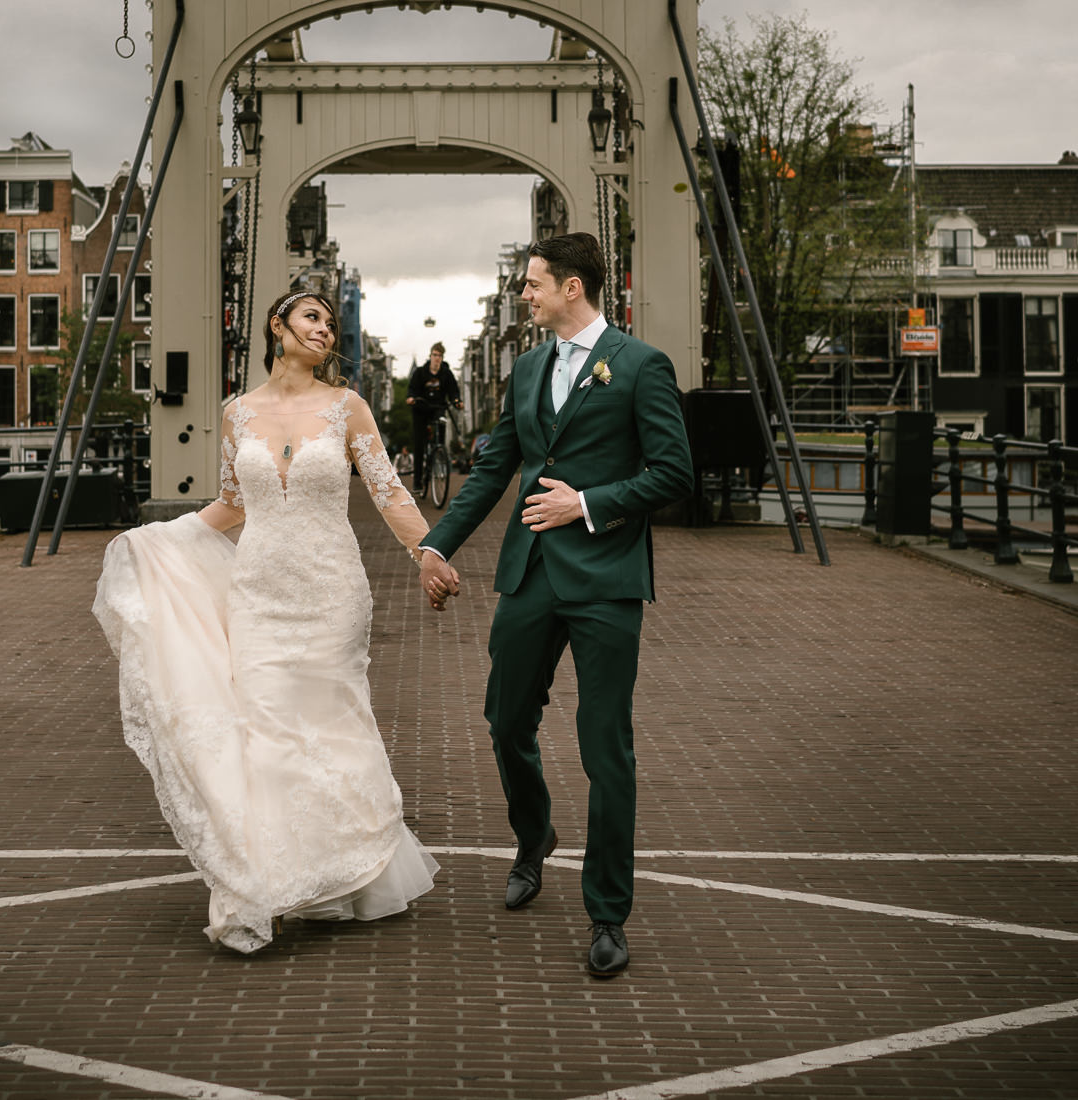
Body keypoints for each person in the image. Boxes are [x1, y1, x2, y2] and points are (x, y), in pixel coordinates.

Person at [92, 289, 439, 954]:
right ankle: (268, 880)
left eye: (331, 322)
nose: (324, 329)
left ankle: (344, 871)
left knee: (331, 724)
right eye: (311, 316)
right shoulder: (235, 414)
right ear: (276, 327)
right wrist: (160, 540)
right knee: (265, 731)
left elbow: (388, 491)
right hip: (256, 590)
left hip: (330, 590)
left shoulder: (347, 408)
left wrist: (428, 553)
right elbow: (231, 504)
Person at [417, 232, 693, 979]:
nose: (524, 295)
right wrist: (437, 545)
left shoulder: (641, 366)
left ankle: (607, 912)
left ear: (572, 287)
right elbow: (494, 468)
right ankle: (532, 836)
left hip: (606, 579)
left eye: (533, 284)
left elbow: (674, 471)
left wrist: (590, 504)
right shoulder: (528, 367)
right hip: (530, 573)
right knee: (505, 721)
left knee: (606, 746)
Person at [406, 341, 463, 483]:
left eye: (440, 356)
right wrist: (411, 398)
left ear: (442, 358)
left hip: (438, 408)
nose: (437, 358)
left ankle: (439, 452)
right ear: (430, 356)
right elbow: (412, 388)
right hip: (421, 409)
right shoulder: (420, 372)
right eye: (435, 355)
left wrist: (457, 401)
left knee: (440, 434)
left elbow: (453, 391)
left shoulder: (446, 374)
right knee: (419, 444)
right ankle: (418, 481)